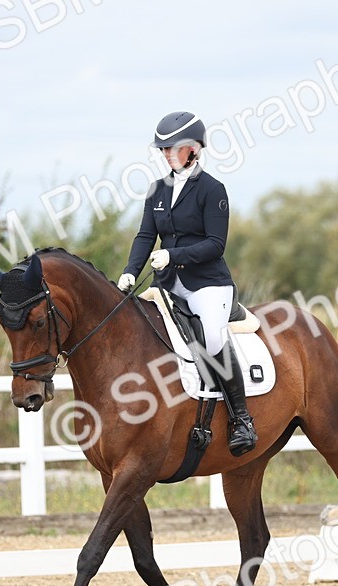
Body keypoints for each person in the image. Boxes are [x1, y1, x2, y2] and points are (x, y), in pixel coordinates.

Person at [118, 111, 258, 457]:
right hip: (169, 284)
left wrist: (174, 254)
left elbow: (216, 243)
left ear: (193, 149)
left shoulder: (212, 190)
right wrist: (130, 271)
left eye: (172, 148)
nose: (165, 154)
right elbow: (145, 235)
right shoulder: (158, 190)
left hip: (207, 285)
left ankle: (242, 419)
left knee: (212, 336)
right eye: (162, 149)